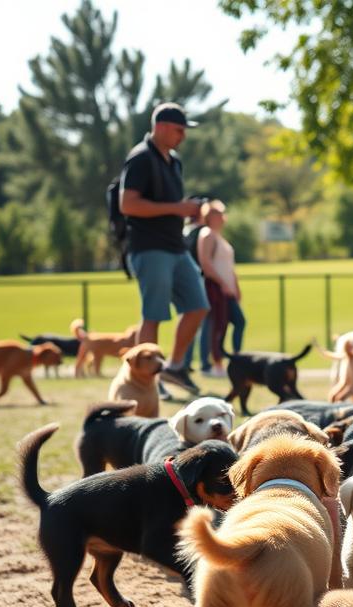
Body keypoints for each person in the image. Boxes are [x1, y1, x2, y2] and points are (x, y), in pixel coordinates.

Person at [118, 102, 206, 394]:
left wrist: (187, 211)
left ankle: (174, 368)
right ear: (161, 127)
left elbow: (169, 206)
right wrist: (177, 207)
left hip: (175, 246)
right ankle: (145, 378)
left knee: (198, 306)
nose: (183, 135)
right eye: (179, 129)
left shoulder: (174, 161)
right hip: (149, 247)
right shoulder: (141, 158)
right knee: (153, 314)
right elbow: (128, 204)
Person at [195, 200, 244, 376]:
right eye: (220, 214)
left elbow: (229, 267)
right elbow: (206, 263)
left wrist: (235, 286)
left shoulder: (219, 236)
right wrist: (222, 284)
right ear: (212, 216)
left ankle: (236, 360)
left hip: (227, 289)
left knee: (237, 321)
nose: (224, 217)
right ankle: (211, 364)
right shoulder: (207, 234)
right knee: (215, 325)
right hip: (216, 288)